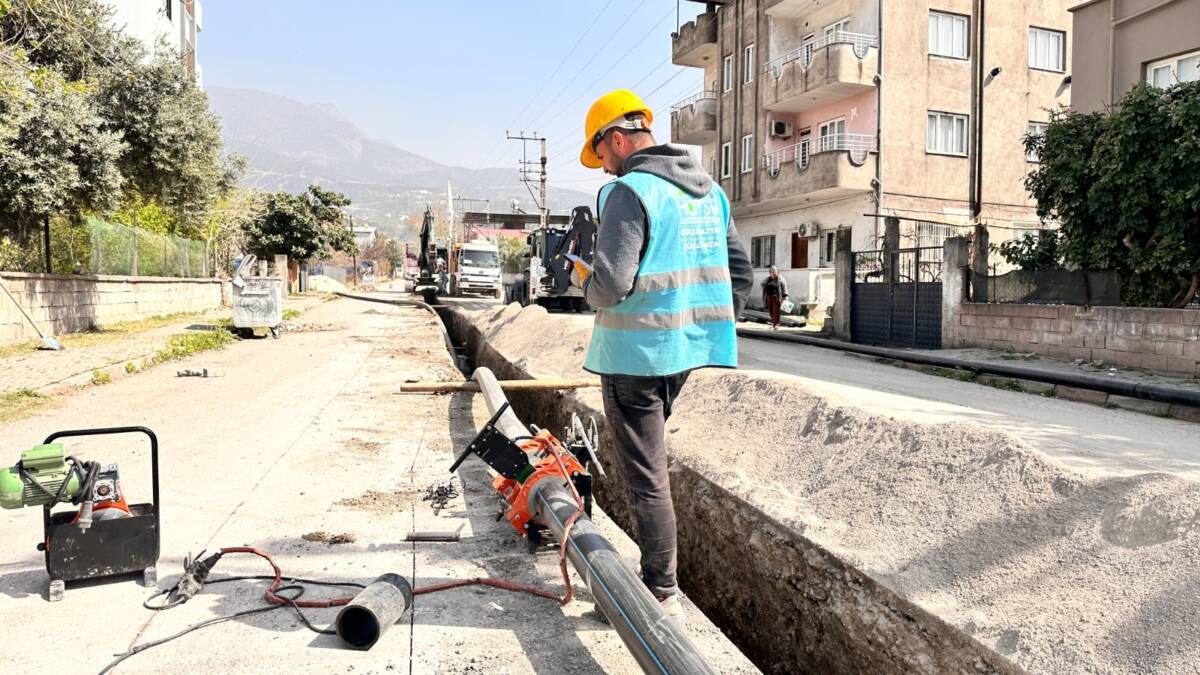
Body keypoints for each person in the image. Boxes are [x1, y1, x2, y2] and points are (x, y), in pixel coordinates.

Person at [570, 89, 753, 626]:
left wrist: (587, 285)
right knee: (651, 468)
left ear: (618, 139)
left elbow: (612, 283)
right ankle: (659, 586)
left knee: (647, 477)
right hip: (684, 354)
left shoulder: (630, 191)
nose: (603, 168)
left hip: (635, 355)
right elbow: (739, 274)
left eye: (601, 155)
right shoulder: (710, 193)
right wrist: (704, 322)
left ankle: (657, 593)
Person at [761, 266, 788, 330]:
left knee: (776, 311)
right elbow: (762, 284)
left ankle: (776, 325)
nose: (773, 273)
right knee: (771, 311)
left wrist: (785, 296)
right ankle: (774, 324)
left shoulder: (780, 279)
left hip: (776, 297)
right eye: (771, 272)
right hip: (768, 297)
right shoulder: (768, 279)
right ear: (769, 273)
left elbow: (784, 288)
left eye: (774, 272)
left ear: (777, 272)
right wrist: (764, 289)